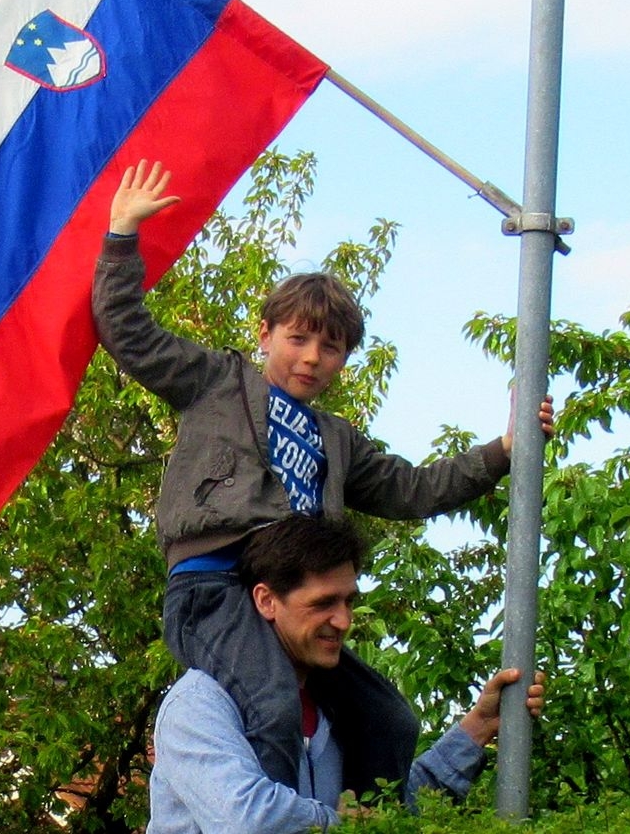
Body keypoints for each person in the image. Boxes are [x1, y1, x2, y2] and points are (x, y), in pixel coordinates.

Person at [92, 160, 555, 799]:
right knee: (273, 703)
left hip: (295, 597)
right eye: (298, 338)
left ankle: (371, 817)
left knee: (388, 718)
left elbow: (414, 490)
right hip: (216, 592)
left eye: (330, 348)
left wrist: (503, 450)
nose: (312, 357)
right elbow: (128, 333)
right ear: (266, 334)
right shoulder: (217, 383)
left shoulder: (334, 440)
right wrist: (121, 236)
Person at [147, 516, 546, 833]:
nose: (343, 620)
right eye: (322, 603)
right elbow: (245, 820)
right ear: (267, 600)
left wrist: (478, 728)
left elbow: (393, 809)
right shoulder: (199, 703)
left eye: (348, 601)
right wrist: (341, 825)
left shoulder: (338, 709)